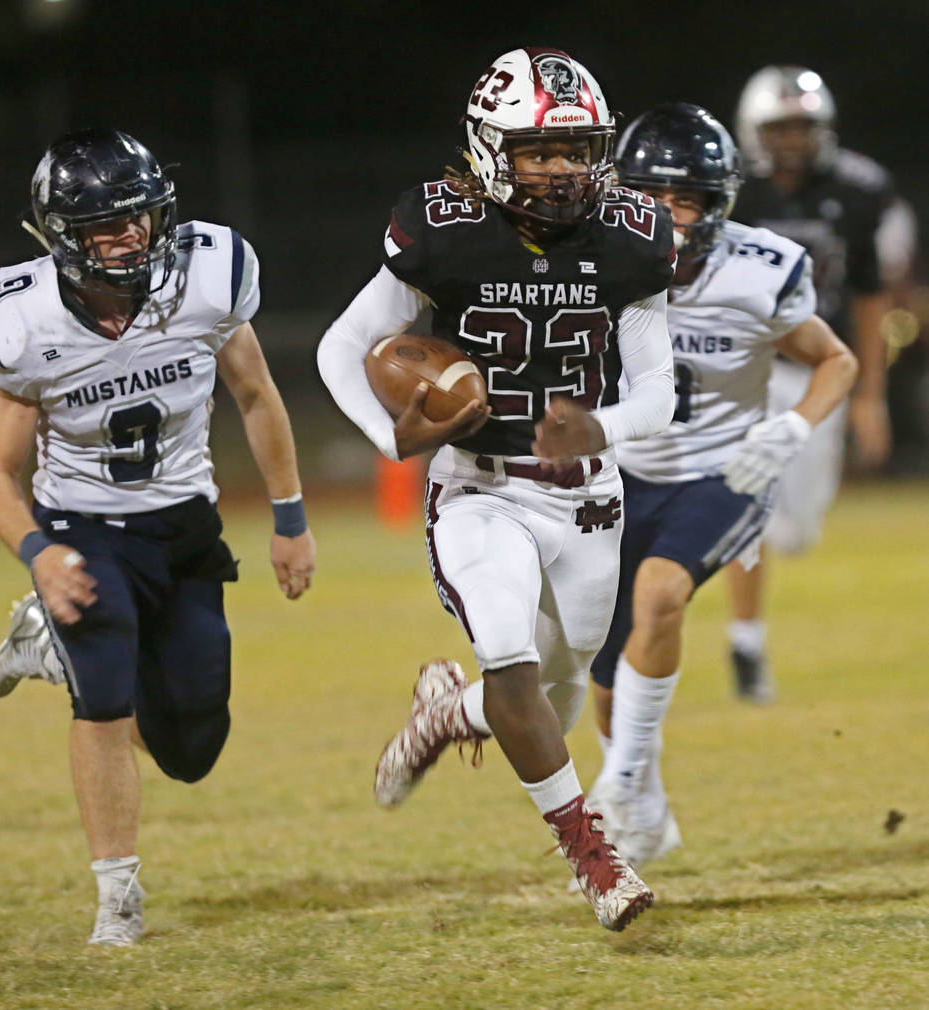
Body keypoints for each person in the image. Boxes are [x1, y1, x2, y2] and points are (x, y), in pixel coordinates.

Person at [318, 47, 677, 931]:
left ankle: (449, 712)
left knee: (551, 688)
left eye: (577, 151)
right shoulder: (441, 225)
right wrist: (393, 440)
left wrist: (603, 427)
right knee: (511, 654)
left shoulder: (631, 233)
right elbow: (341, 348)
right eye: (539, 152)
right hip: (478, 487)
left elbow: (659, 392)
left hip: (588, 495)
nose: (562, 171)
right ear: (489, 150)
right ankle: (594, 860)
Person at [0, 129, 317, 946]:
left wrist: (289, 517)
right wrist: (41, 553)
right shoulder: (22, 320)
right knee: (106, 693)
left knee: (192, 748)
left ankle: (51, 646)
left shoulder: (206, 281)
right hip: (85, 529)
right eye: (105, 228)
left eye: (141, 220)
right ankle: (117, 899)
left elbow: (256, 395)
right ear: (61, 238)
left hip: (184, 526)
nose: (131, 240)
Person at [585, 103, 856, 869]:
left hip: (724, 471)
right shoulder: (591, 261)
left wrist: (794, 429)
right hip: (623, 476)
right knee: (604, 665)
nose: (669, 216)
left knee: (661, 596)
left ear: (716, 202)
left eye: (687, 200)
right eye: (653, 198)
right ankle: (643, 802)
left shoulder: (759, 269)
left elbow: (836, 360)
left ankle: (622, 780)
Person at [725, 66, 898, 700]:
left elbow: (874, 295)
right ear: (754, 131)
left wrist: (871, 397)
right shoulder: (729, 188)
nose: (793, 140)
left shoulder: (858, 189)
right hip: (741, 367)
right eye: (781, 127)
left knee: (794, 534)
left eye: (803, 126)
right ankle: (746, 641)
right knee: (748, 502)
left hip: (818, 370)